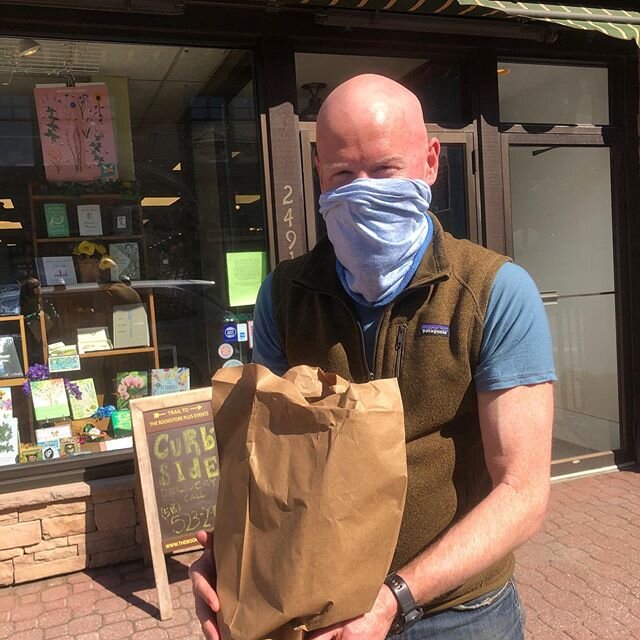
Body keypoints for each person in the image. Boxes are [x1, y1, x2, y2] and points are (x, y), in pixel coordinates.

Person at [190, 74, 555, 640]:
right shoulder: (284, 296)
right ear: (318, 172)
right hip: (319, 606)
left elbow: (523, 493)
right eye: (342, 174)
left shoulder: (494, 291)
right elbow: (264, 461)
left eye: (385, 170)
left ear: (431, 162)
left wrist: (393, 599)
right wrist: (231, 558)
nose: (362, 191)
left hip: (462, 615)